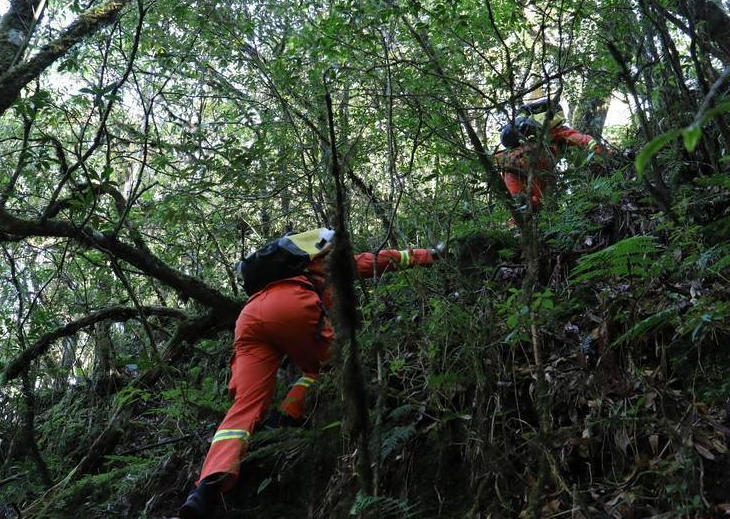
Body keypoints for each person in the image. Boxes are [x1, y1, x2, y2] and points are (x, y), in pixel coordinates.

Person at [179, 232, 439, 519]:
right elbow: (371, 262)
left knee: (244, 407)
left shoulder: (287, 264)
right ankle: (284, 419)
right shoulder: (322, 260)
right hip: (293, 303)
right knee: (331, 366)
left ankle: (205, 490)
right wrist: (427, 255)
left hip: (250, 316)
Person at [494, 98, 610, 212]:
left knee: (518, 202)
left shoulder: (517, 140)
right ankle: (536, 212)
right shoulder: (557, 131)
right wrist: (608, 154)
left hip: (510, 164)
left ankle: (520, 221)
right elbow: (584, 140)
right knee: (540, 198)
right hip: (538, 160)